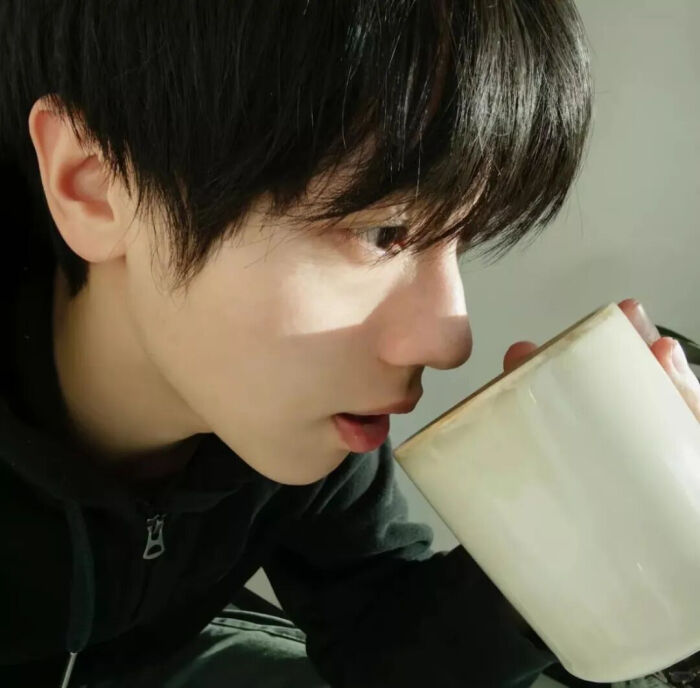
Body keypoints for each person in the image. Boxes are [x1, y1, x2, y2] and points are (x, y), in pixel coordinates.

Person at [1, 1, 698, 687]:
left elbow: (377, 634)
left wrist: (571, 552)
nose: (450, 339)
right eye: (381, 232)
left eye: (460, 242)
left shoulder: (294, 423)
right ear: (95, 186)